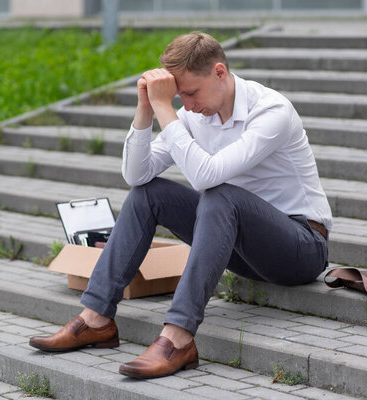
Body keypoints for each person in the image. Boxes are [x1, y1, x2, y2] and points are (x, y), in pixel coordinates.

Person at [29, 32, 332, 379]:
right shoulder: (194, 114)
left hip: (301, 247)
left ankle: (178, 337)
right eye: (178, 96)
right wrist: (146, 109)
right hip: (242, 249)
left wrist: (164, 108)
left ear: (219, 72)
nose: (185, 105)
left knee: (220, 194)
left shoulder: (271, 111)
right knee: (149, 193)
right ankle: (95, 318)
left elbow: (207, 177)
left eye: (190, 93)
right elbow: (136, 175)